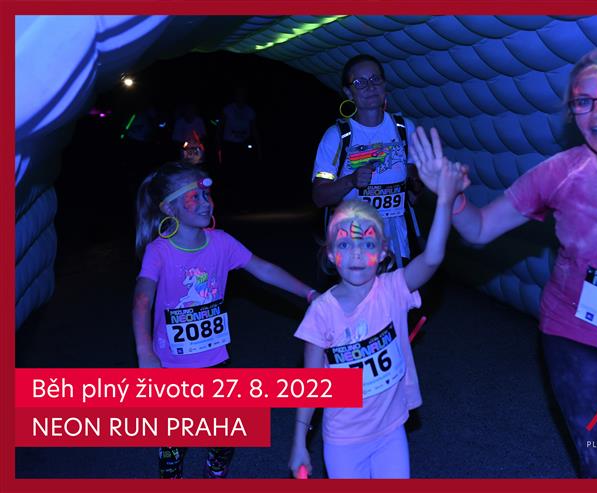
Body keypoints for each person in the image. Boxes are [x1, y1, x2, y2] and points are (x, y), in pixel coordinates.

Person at [410, 46, 597, 478]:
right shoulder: (560, 172)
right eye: (582, 102)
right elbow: (479, 229)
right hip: (577, 340)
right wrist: (450, 196)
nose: (596, 112)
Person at [132, 161, 318, 478]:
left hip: (215, 362)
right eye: (195, 197)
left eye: (207, 195)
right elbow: (142, 300)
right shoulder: (159, 251)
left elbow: (264, 269)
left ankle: (214, 474)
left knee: (224, 436)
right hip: (171, 369)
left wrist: (309, 293)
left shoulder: (221, 243)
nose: (206, 202)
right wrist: (145, 352)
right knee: (173, 446)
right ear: (169, 208)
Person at [288, 161, 467, 479]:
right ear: (330, 254)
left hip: (391, 431)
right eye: (345, 244)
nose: (356, 254)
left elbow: (432, 258)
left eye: (367, 244)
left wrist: (445, 200)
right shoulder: (321, 313)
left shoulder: (393, 289)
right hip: (344, 440)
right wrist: (299, 442)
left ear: (384, 251)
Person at [311, 54, 423, 268]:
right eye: (359, 83)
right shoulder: (337, 136)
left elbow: (413, 191)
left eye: (375, 79)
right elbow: (319, 197)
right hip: (355, 241)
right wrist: (351, 181)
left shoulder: (404, 128)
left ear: (384, 84)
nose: (370, 87)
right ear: (348, 92)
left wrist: (418, 185)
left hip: (398, 243)